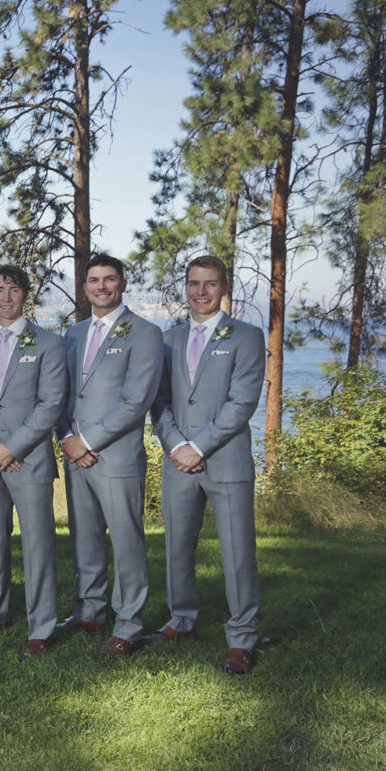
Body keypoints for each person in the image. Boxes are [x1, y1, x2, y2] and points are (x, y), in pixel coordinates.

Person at [149, 255, 263, 675]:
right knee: (177, 546)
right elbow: (158, 401)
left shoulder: (247, 336)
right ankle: (181, 619)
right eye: (194, 283)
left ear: (224, 286)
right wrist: (178, 445)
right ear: (186, 287)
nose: (201, 292)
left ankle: (242, 637)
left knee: (238, 552)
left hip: (226, 461)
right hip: (178, 461)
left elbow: (242, 403)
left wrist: (198, 446)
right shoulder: (168, 339)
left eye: (210, 284)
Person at [54, 252, 164, 657]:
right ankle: (90, 611)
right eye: (94, 280)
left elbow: (137, 401)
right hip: (75, 452)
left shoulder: (146, 333)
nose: (102, 286)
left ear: (122, 284)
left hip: (115, 455)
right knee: (85, 538)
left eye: (109, 279)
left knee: (126, 541)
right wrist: (68, 437)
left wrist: (88, 441)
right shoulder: (74, 334)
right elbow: (62, 393)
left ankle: (129, 625)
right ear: (85, 288)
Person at [0, 265, 68, 658]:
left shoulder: (49, 343)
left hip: (29, 461)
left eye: (13, 290)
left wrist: (13, 448)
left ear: (26, 294)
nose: (6, 298)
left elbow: (51, 403)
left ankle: (41, 626)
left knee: (38, 545)